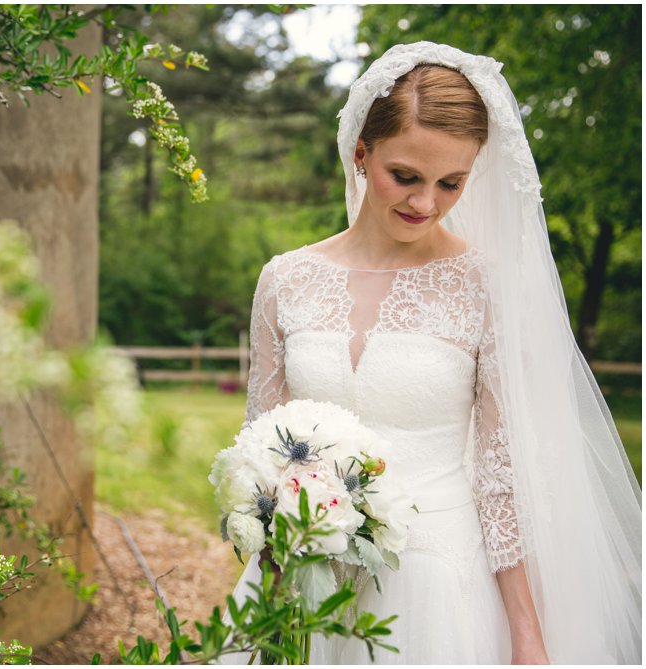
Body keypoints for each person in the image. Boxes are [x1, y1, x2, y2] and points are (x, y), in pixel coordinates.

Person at [226, 42, 641, 664]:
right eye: (407, 176)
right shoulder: (284, 279)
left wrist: (527, 635)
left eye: (451, 183)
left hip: (437, 585)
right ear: (362, 153)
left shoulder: (485, 286)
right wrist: (271, 570)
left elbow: (503, 479)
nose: (425, 203)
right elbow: (261, 448)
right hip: (302, 575)